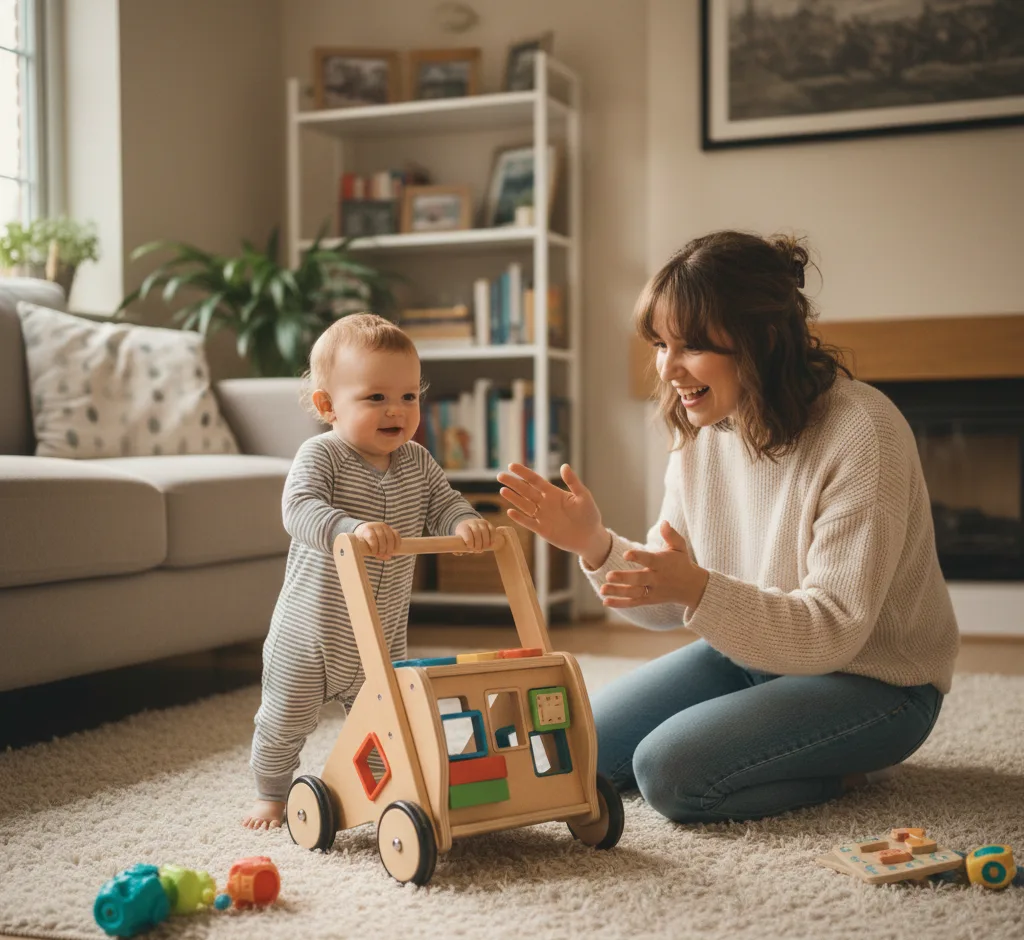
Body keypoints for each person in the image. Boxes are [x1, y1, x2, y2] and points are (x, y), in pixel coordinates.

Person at [497, 231, 959, 823]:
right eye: (660, 344)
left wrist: (697, 590)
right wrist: (595, 544)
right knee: (567, 751)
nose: (667, 368)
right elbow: (667, 601)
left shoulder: (862, 432)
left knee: (669, 773)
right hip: (747, 657)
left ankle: (840, 772)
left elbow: (834, 631)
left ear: (759, 341)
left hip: (876, 685)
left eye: (690, 345)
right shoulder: (703, 431)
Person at [244, 314, 493, 829]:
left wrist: (465, 522)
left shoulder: (418, 462)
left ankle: (381, 789)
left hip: (381, 637)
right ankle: (271, 792)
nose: (396, 411)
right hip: (310, 635)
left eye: (409, 397)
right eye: (376, 398)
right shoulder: (323, 455)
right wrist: (349, 528)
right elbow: (299, 509)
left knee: (388, 722)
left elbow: (443, 503)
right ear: (327, 405)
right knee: (284, 720)